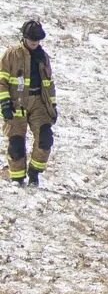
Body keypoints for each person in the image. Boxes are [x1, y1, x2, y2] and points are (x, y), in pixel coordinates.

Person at [1, 19, 52, 187]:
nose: (35, 43)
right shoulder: (11, 55)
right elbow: (1, 81)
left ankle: (34, 173)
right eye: (32, 40)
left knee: (45, 138)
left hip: (38, 103)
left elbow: (49, 84)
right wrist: (5, 103)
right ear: (24, 38)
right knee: (16, 143)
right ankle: (16, 177)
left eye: (37, 40)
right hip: (17, 103)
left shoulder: (43, 57)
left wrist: (52, 106)